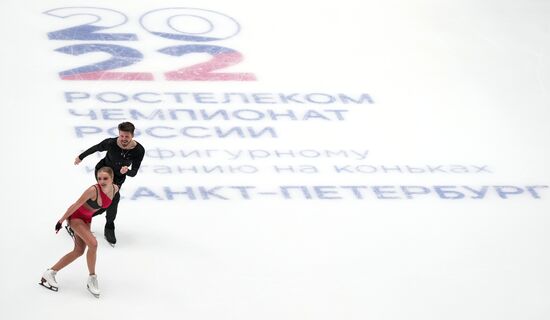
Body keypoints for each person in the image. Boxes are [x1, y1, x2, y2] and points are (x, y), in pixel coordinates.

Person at [40, 167, 119, 298]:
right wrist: (61, 220)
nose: (102, 181)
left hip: (87, 219)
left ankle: (50, 273)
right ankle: (92, 278)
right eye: (99, 178)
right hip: (76, 217)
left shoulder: (115, 189)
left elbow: (106, 205)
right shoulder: (93, 190)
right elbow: (76, 205)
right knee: (93, 244)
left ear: (112, 179)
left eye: (105, 178)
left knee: (78, 251)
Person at [72, 122, 145, 246]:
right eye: (121, 136)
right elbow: (96, 148)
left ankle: (78, 217)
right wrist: (81, 157)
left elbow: (134, 173)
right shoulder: (111, 143)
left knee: (106, 203)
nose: (123, 139)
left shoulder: (138, 150)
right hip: (103, 172)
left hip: (118, 178)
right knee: (111, 200)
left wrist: (127, 171)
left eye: (126, 136)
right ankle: (109, 226)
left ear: (132, 135)